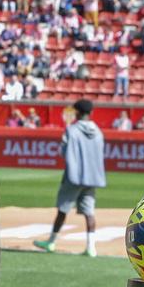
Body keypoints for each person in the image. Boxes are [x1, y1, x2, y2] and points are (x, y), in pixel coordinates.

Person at [35, 98, 107, 255]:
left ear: (77, 112)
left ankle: (51, 242)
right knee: (89, 212)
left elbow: (63, 152)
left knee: (63, 209)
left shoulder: (72, 130)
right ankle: (91, 248)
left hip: (74, 177)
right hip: (92, 178)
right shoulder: (98, 132)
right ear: (91, 112)